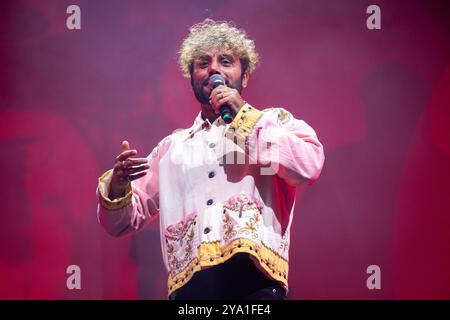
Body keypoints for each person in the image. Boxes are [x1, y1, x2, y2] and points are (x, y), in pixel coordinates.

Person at [97, 19, 325, 300]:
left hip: (256, 286)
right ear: (192, 77)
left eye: (225, 61)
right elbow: (120, 223)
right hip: (191, 293)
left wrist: (245, 120)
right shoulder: (172, 149)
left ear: (244, 77)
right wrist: (119, 186)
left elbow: (309, 165)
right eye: (203, 63)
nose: (214, 69)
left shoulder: (274, 122)